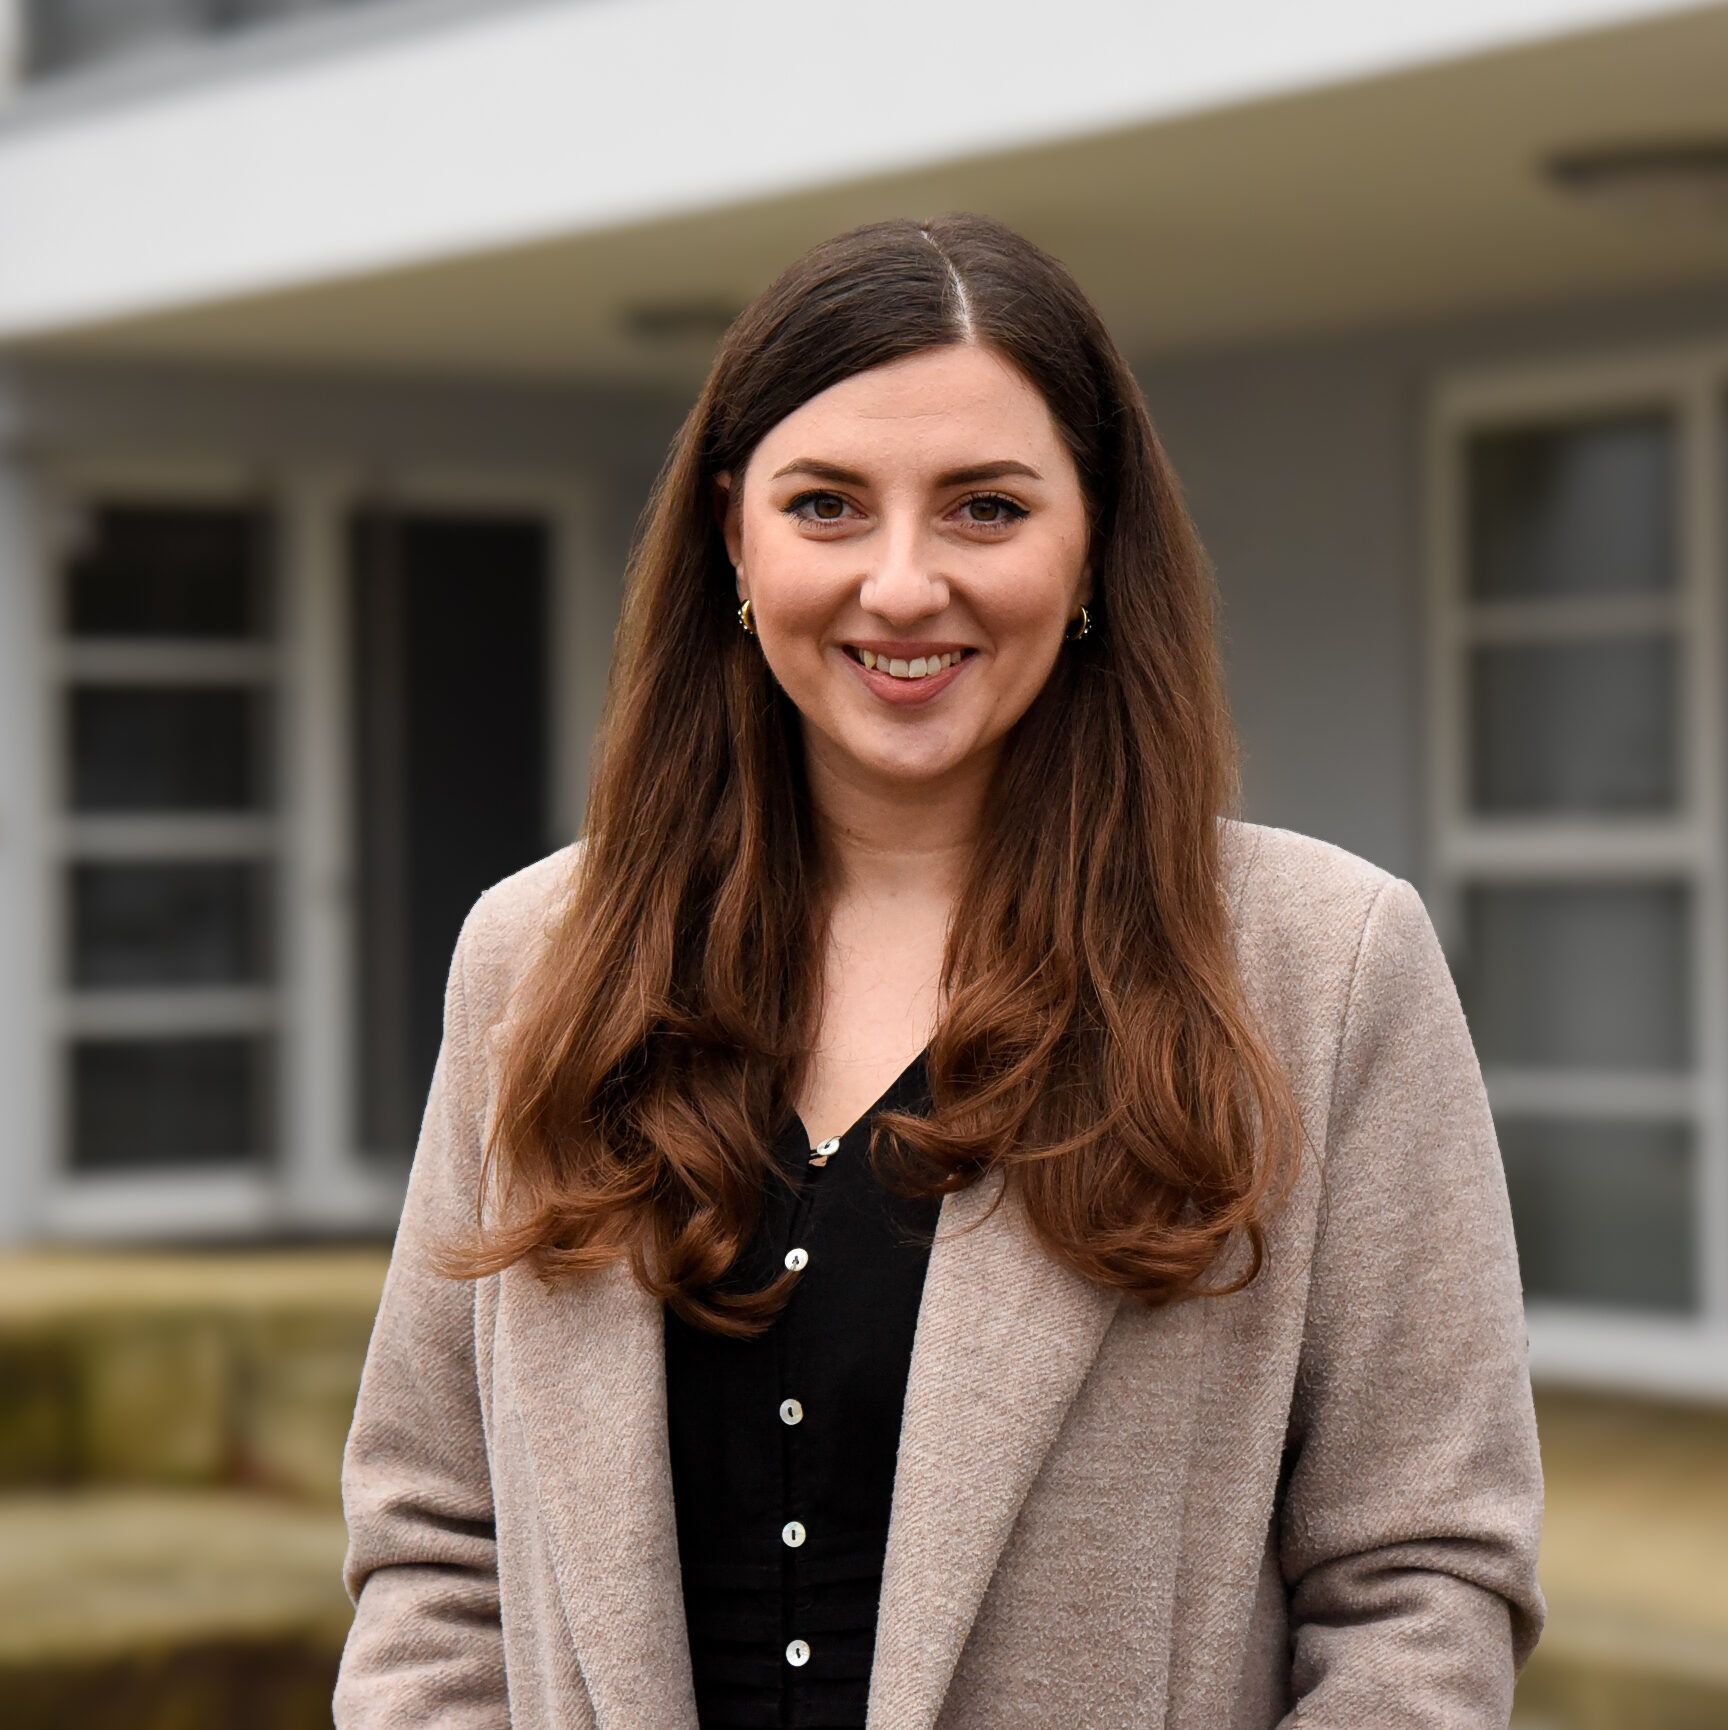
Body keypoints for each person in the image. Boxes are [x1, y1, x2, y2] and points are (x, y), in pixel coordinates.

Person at [334, 214, 1544, 1730]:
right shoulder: (536, 961)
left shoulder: (1323, 965)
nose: (902, 586)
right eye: (828, 505)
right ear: (733, 536)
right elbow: (433, 1540)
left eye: (984, 508)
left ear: (1092, 535)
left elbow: (1424, 1578)